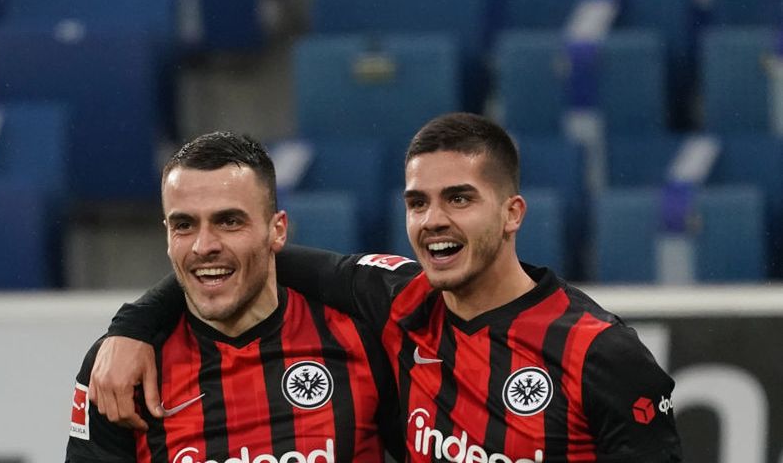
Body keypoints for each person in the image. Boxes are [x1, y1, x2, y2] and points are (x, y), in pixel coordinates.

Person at [91, 113, 683, 462]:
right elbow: (241, 259)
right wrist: (134, 323)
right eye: (417, 203)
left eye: (459, 199)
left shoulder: (599, 352)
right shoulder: (399, 300)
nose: (433, 221)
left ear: (512, 213)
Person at [66, 132, 403, 462]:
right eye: (184, 225)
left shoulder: (359, 339)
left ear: (277, 231)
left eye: (228, 222)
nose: (203, 246)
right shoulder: (124, 368)